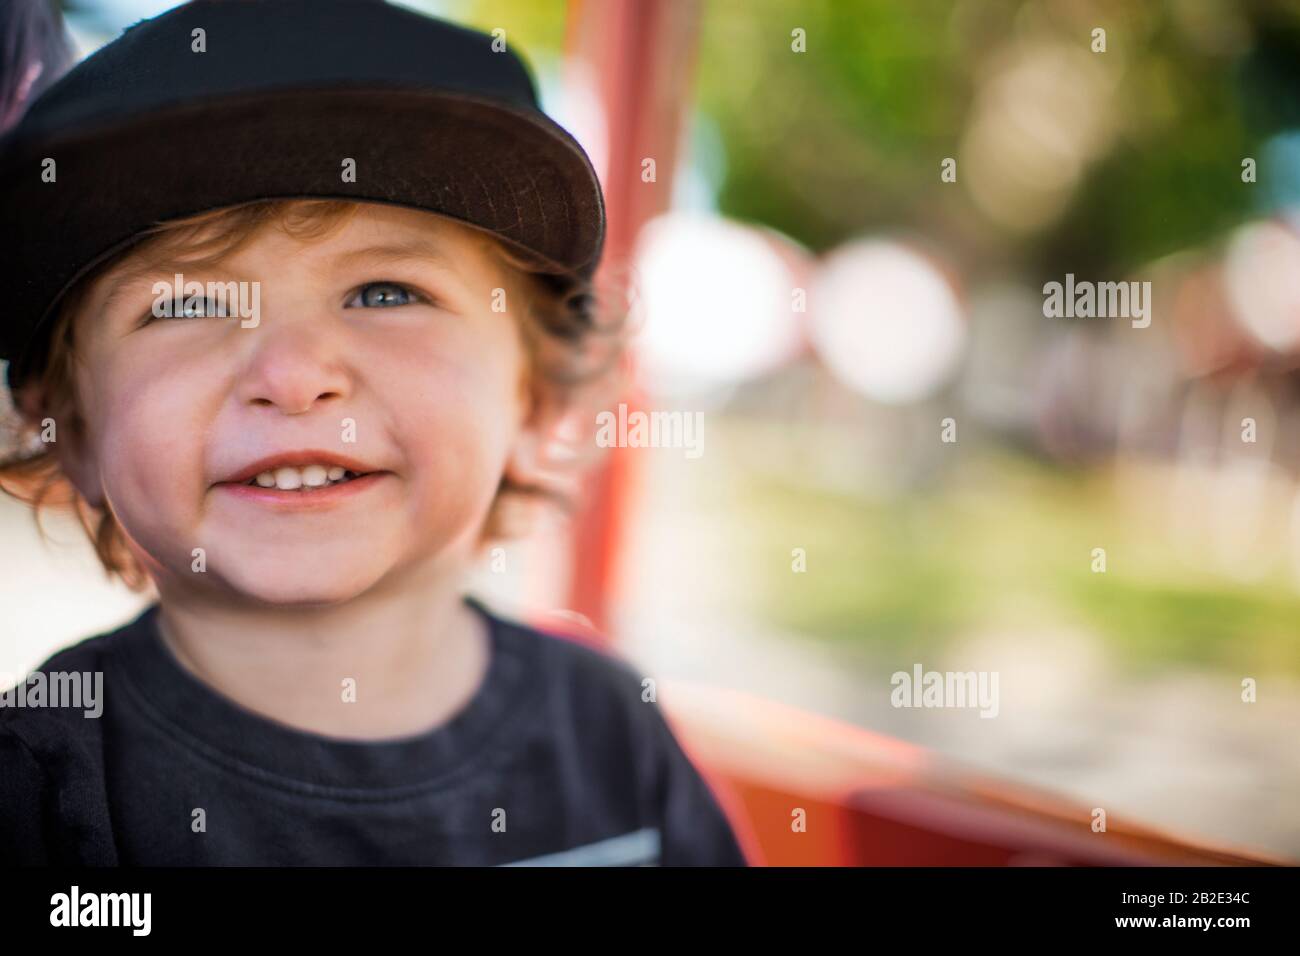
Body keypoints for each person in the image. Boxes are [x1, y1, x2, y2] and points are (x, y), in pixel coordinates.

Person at [0, 0, 750, 866]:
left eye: (386, 292)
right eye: (187, 303)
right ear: (76, 429)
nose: (291, 373)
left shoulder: (612, 736)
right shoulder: (45, 787)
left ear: (538, 399)